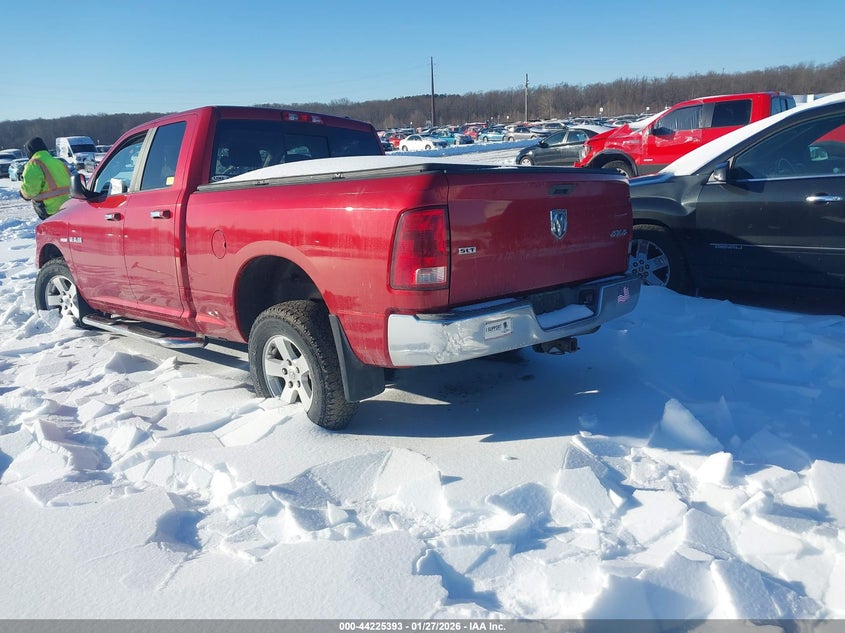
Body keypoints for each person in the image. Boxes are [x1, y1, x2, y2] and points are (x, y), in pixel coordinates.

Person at [19, 137, 71, 220]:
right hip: (69, 206)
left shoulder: (34, 164)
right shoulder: (59, 163)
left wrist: (23, 193)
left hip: (50, 209)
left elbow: (31, 190)